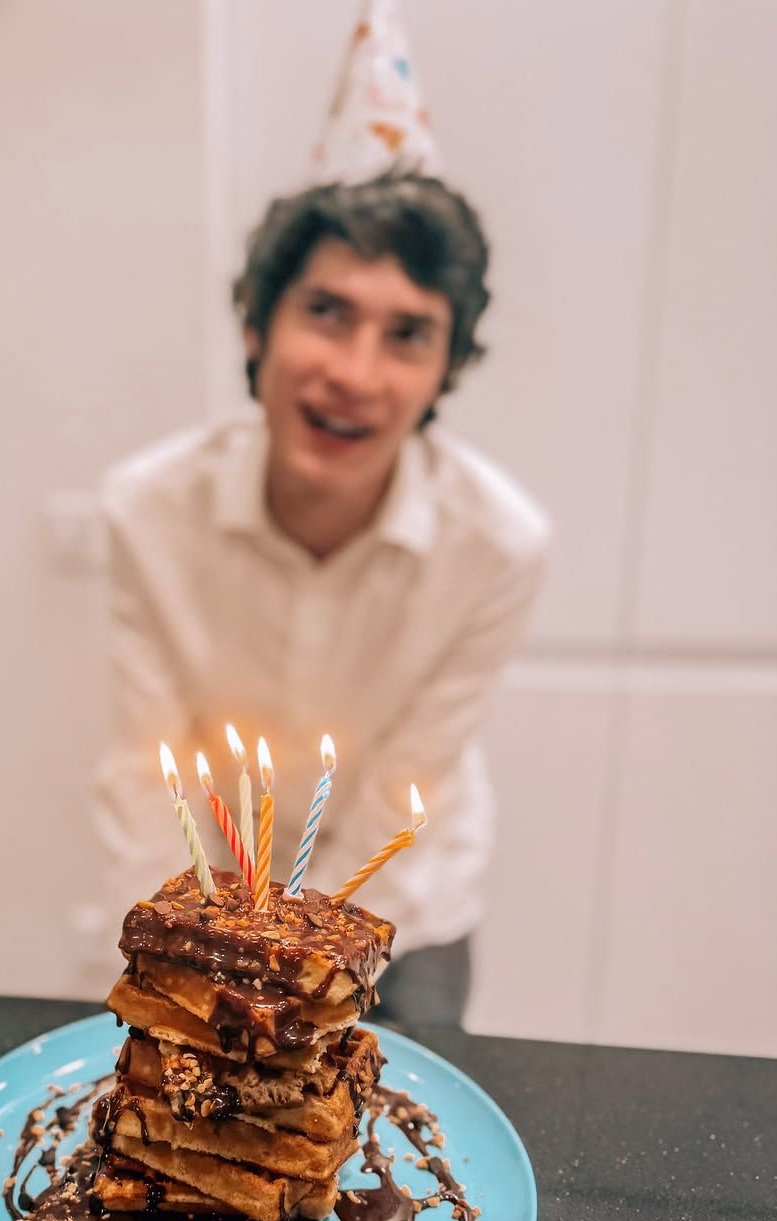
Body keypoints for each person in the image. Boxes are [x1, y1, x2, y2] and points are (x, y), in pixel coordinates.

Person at [95, 169, 550, 1027]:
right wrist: (187, 952)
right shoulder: (149, 513)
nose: (355, 372)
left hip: (402, 910)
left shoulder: (496, 547)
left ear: (445, 372)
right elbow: (147, 773)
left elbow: (410, 776)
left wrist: (293, 967)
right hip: (204, 907)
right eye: (327, 312)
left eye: (407, 334)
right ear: (257, 325)